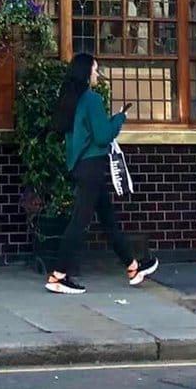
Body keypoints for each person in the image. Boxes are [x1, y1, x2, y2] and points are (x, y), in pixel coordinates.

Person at [45, 52, 159, 295]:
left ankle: (133, 267)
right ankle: (58, 276)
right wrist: (119, 119)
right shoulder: (92, 99)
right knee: (79, 222)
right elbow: (103, 135)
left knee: (108, 219)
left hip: (81, 165)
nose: (97, 74)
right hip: (92, 166)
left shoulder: (73, 99)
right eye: (95, 69)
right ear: (86, 73)